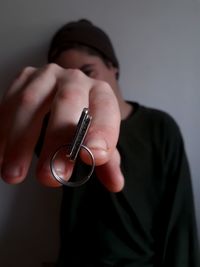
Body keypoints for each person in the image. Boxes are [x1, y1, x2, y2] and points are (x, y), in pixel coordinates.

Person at [0, 19, 199, 267]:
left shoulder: (160, 127)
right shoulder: (56, 132)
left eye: (87, 72)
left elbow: (180, 220)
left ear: (113, 67)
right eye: (66, 76)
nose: (79, 82)